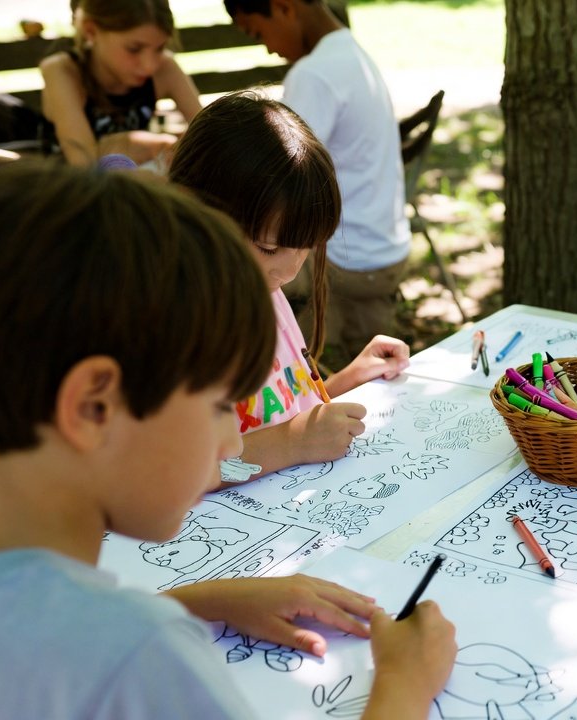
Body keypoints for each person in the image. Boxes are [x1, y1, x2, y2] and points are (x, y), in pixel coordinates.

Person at [0, 160, 457, 718]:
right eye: (219, 406)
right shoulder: (139, 656)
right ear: (95, 406)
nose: (234, 445)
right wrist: (405, 686)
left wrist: (194, 602)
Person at [168, 91, 411, 485]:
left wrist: (348, 381)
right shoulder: (176, 325)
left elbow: (271, 416)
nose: (290, 271)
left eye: (306, 249)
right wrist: (292, 444)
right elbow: (180, 472)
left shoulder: (260, 287)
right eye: (268, 248)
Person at [225, 0, 412, 368]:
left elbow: (277, 176)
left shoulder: (314, 74)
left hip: (348, 258)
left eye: (258, 32)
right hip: (385, 245)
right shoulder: (352, 52)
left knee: (247, 262)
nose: (268, 47)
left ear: (283, 7)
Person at [39, 0, 202, 167]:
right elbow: (85, 164)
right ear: (91, 31)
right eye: (134, 49)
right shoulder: (63, 71)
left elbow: (209, 133)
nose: (150, 65)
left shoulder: (164, 67)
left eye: (160, 48)